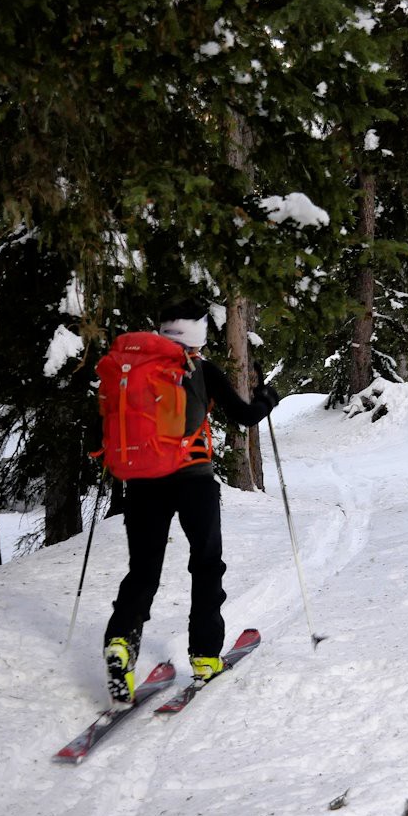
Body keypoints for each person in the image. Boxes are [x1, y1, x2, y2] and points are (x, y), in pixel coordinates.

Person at [102, 299, 280, 705]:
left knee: (142, 572)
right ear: (198, 333)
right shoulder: (201, 369)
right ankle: (203, 657)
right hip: (194, 481)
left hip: (144, 484)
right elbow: (246, 417)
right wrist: (268, 397)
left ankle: (120, 644)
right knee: (206, 564)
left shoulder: (134, 371)